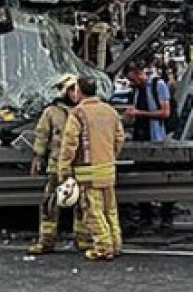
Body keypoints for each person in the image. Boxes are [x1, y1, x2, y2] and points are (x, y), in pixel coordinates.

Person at [56, 77, 126, 261]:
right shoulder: (110, 111)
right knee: (110, 210)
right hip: (108, 169)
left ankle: (103, 247)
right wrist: (110, 156)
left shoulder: (78, 113)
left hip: (88, 171)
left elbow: (70, 144)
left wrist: (63, 169)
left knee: (93, 211)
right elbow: (119, 138)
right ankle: (116, 243)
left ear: (79, 91)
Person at [27, 74, 88, 255]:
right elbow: (42, 135)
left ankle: (82, 239)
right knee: (50, 203)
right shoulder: (51, 112)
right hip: (56, 164)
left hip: (80, 163)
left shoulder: (86, 109)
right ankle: (46, 240)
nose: (74, 93)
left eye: (76, 89)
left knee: (83, 204)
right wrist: (37, 158)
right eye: (70, 89)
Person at [125, 61, 176, 231]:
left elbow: (165, 112)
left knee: (161, 178)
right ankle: (145, 216)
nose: (132, 83)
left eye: (133, 79)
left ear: (140, 73)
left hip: (157, 137)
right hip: (140, 137)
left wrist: (140, 113)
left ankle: (166, 216)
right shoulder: (136, 91)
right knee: (141, 178)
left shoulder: (158, 85)